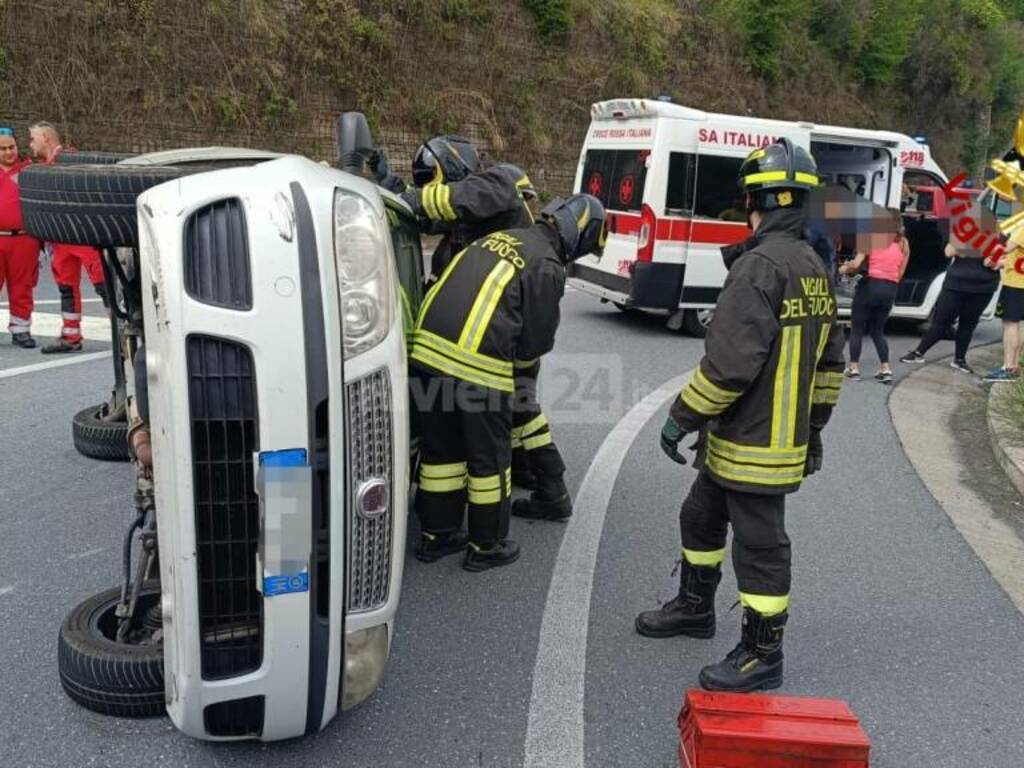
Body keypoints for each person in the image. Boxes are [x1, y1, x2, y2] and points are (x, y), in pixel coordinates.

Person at [634, 139, 845, 692]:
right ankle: (695, 606)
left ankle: (762, 653)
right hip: (752, 440)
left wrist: (680, 416)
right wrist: (813, 429)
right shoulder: (814, 267)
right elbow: (831, 366)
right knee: (700, 517)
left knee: (761, 549)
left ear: (757, 201)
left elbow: (728, 365)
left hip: (752, 443)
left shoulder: (760, 267)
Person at [409, 194, 606, 571]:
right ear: (578, 236)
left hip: (426, 357)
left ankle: (438, 536)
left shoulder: (495, 238)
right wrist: (518, 382)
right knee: (490, 462)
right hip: (478, 370)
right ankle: (486, 546)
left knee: (442, 454)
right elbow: (536, 341)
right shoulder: (547, 265)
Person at [369, 135, 535, 284]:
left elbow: (456, 198)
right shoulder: (465, 218)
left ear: (451, 165)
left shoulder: (497, 184)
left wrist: (412, 199)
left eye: (429, 180)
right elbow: (427, 219)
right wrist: (390, 184)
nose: (426, 188)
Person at [28, 121, 107, 353]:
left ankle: (125, 336)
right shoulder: (43, 168)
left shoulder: (72, 162)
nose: (30, 144)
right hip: (60, 242)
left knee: (105, 287)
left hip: (84, 237)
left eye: (33, 138)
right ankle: (71, 336)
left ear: (46, 138)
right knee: (66, 288)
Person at [900, 241, 1000, 374]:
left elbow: (997, 260)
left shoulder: (998, 239)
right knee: (941, 321)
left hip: (983, 287)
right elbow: (948, 252)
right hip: (955, 284)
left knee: (968, 324)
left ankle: (959, 359)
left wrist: (996, 261)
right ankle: (918, 352)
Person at [838, 221, 910, 384]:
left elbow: (856, 264)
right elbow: (899, 274)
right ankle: (885, 368)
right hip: (890, 289)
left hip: (870, 287)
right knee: (878, 330)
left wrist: (844, 267)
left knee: (857, 328)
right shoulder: (904, 244)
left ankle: (854, 369)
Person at [0, 126, 40, 348]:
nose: (8, 152)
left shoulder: (28, 171)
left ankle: (21, 329)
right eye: (3, 149)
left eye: (11, 147)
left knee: (22, 285)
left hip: (24, 239)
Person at [984, 227, 1024, 382]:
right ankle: (1013, 365)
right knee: (1018, 325)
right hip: (1019, 282)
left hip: (1017, 284)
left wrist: (991, 256)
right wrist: (1001, 263)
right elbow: (1018, 257)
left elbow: (1006, 247)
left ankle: (1008, 367)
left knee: (1010, 324)